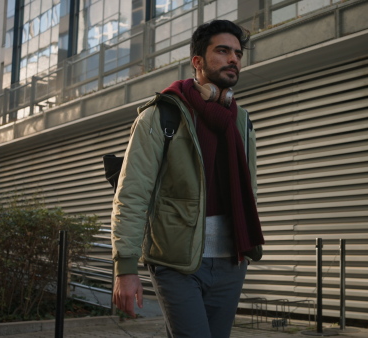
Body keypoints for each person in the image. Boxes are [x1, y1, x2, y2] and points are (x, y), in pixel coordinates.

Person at [111, 19, 265, 338]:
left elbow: (247, 190)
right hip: (177, 262)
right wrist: (125, 268)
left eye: (237, 53)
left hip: (232, 259)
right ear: (197, 61)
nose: (233, 59)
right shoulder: (160, 116)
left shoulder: (241, 120)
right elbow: (131, 193)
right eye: (222, 51)